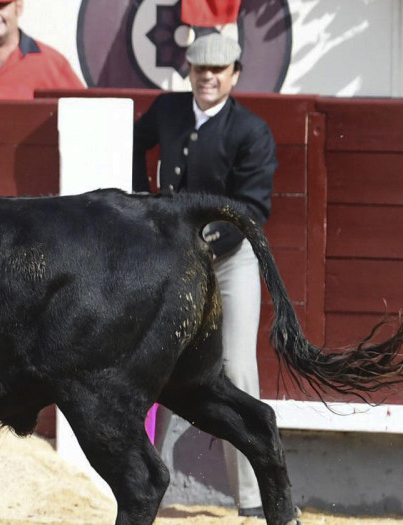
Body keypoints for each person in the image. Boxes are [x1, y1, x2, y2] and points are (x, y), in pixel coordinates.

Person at [131, 32, 276, 519]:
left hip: (229, 263)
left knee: (236, 370)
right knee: (155, 368)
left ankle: (254, 502)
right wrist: (140, 203)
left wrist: (201, 246)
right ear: (189, 71)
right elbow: (132, 143)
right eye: (199, 69)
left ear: (235, 74)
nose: (207, 77)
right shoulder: (168, 111)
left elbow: (251, 211)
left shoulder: (250, 131)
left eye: (218, 70)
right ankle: (143, 487)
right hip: (172, 265)